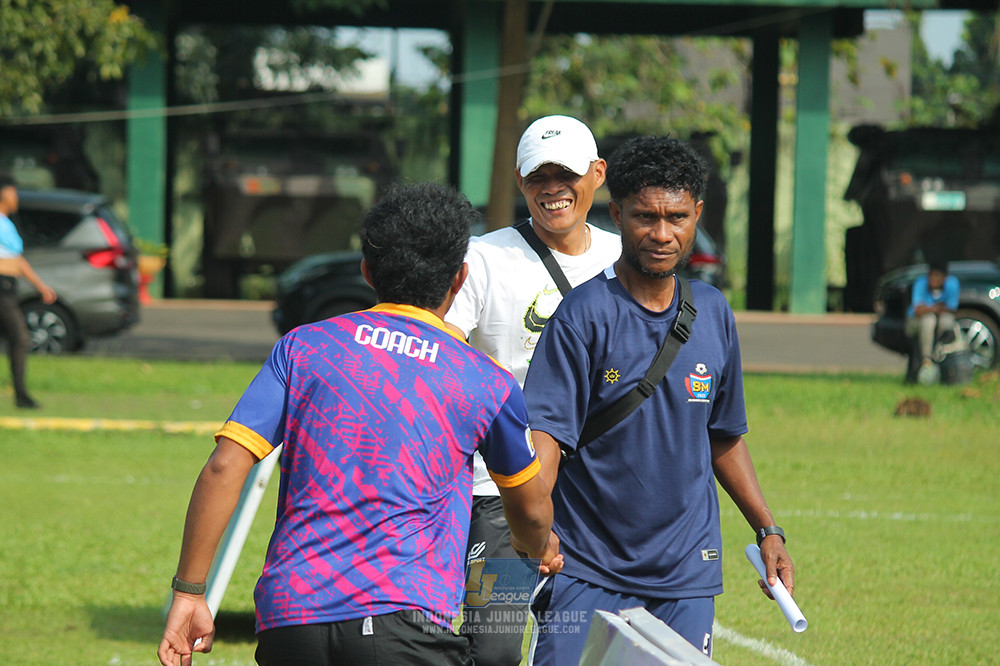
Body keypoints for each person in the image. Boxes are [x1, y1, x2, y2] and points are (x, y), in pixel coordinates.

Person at [157, 183, 561, 666]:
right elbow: (531, 511)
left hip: (290, 620)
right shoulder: (485, 381)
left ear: (367, 272)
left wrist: (189, 593)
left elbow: (224, 467)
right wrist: (538, 546)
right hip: (402, 620)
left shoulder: (304, 347)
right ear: (460, 278)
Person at [522, 136, 795, 664]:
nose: (662, 234)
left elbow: (724, 435)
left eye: (677, 217)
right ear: (617, 213)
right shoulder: (582, 316)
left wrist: (768, 528)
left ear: (697, 214)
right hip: (587, 567)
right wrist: (535, 532)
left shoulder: (713, 312)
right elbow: (547, 440)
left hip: (686, 574)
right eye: (645, 217)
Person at [445, 115, 621, 665]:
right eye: (537, 176)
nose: (552, 189)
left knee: (588, 647)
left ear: (597, 174)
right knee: (492, 647)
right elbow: (444, 357)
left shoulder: (626, 260)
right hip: (499, 489)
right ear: (520, 181)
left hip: (598, 490)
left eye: (565, 174)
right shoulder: (482, 259)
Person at [0, 173, 57, 409]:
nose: (16, 197)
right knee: (20, 338)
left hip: (8, 288)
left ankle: (21, 395)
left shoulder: (8, 224)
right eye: (13, 191)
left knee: (17, 338)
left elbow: (18, 260)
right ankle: (22, 397)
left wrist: (41, 286)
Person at [906, 261, 960, 371]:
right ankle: (927, 360)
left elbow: (952, 308)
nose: (933, 279)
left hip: (939, 321)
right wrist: (936, 308)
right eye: (931, 275)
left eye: (937, 276)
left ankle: (941, 353)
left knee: (948, 321)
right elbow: (918, 310)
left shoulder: (952, 284)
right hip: (916, 322)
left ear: (945, 277)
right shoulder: (920, 283)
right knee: (928, 320)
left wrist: (931, 308)